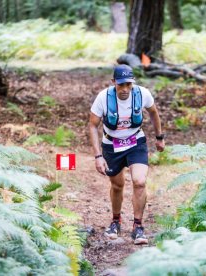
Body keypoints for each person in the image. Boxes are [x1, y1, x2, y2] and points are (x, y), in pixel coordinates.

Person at [88, 64, 165, 245]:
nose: (125, 89)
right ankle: (116, 221)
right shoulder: (103, 98)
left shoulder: (142, 94)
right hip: (111, 145)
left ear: (133, 83)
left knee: (139, 181)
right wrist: (98, 156)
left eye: (128, 85)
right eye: (121, 84)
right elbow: (92, 125)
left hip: (135, 142)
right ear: (113, 82)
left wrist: (159, 137)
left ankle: (138, 226)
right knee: (117, 185)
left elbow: (154, 112)